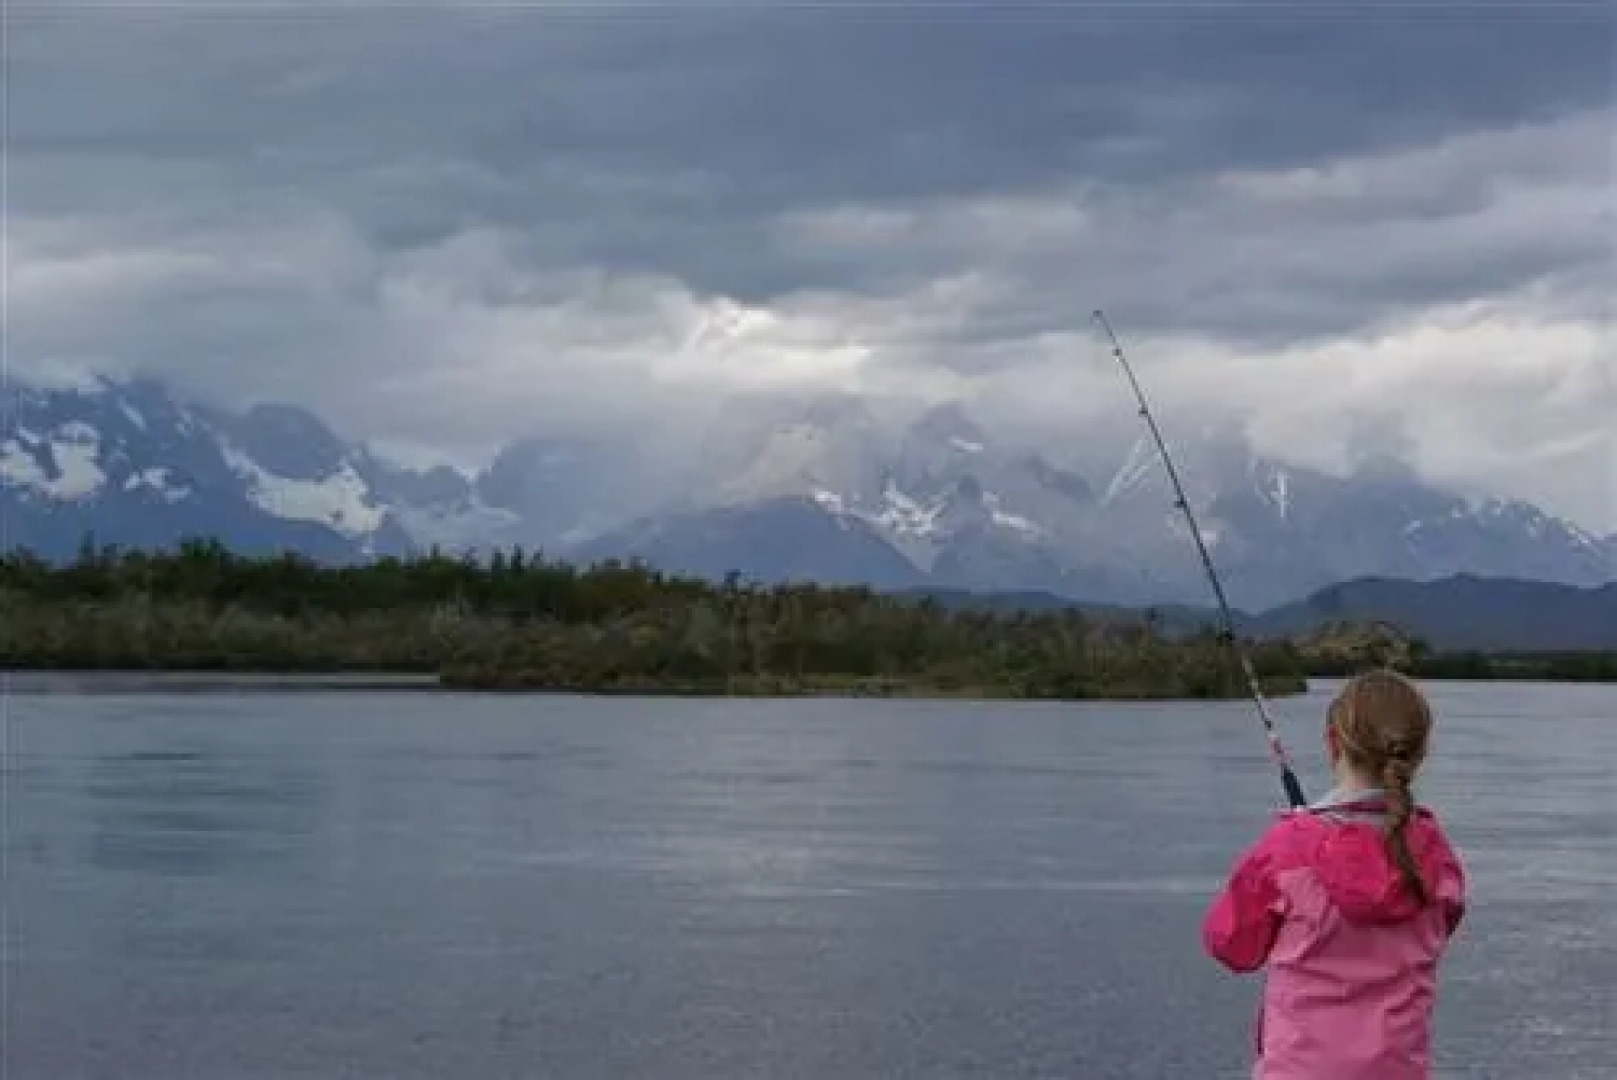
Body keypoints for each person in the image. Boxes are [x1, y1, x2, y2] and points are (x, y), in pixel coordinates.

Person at [1201, 669, 1468, 1079]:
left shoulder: (1288, 848)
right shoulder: (1435, 855)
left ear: (1332, 743)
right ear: (1419, 753)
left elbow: (1231, 945)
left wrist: (1294, 843)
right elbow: (1440, 925)